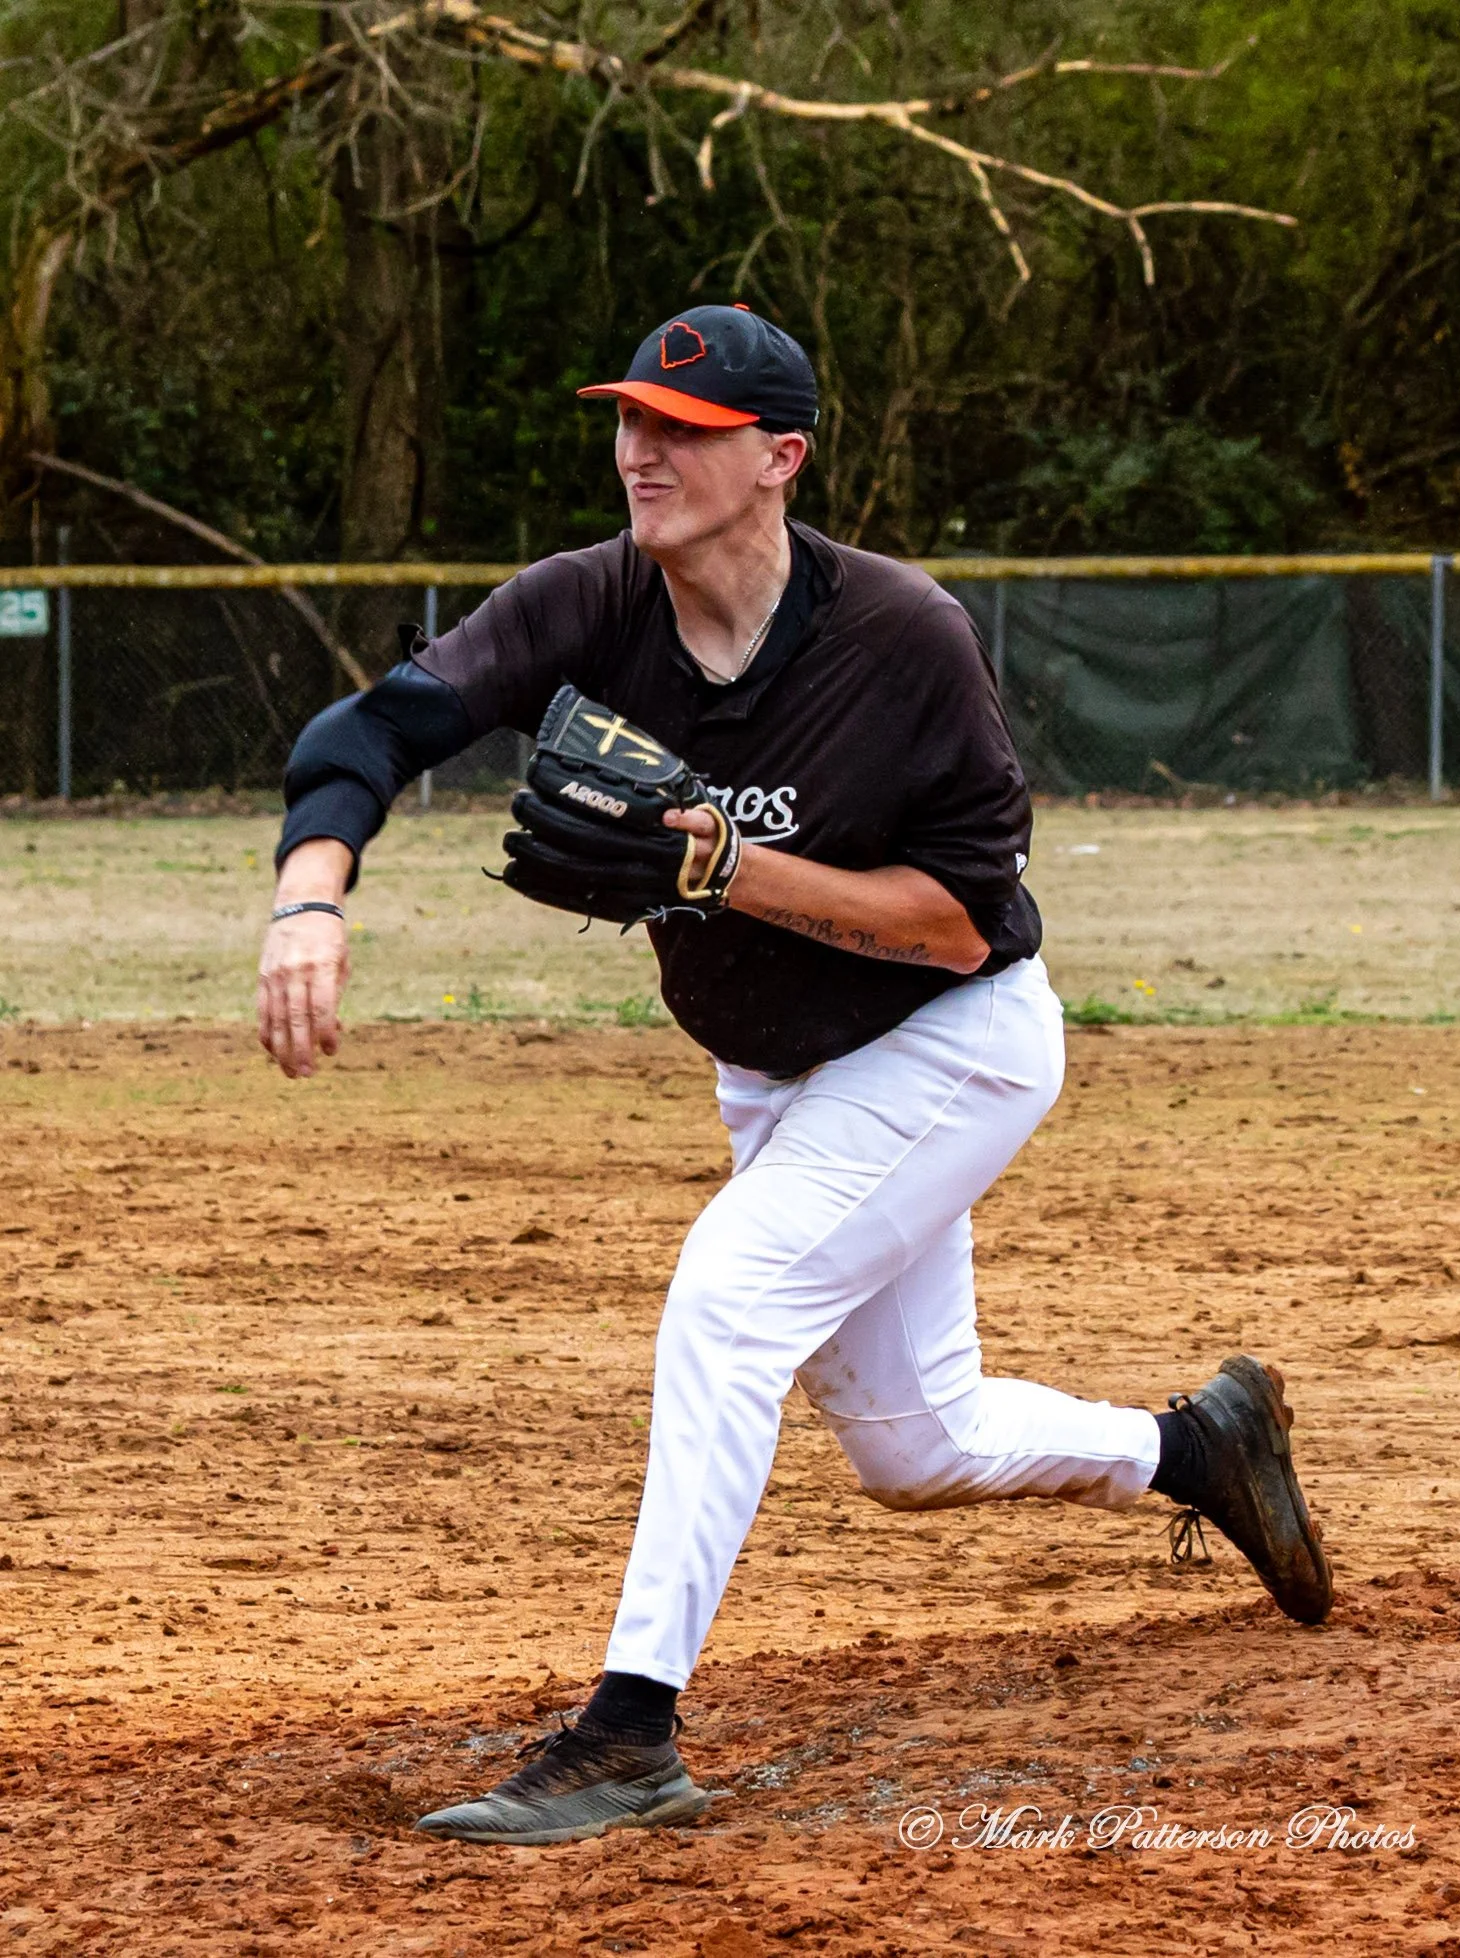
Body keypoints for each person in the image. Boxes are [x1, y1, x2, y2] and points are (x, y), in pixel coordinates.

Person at [257, 303, 1333, 1849]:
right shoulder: (590, 604)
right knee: (914, 1443)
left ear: (779, 457)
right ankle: (1197, 1445)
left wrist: (718, 863)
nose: (640, 452)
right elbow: (371, 729)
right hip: (779, 1073)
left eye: (680, 431)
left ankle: (630, 1730)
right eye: (629, 421)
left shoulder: (902, 635)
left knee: (727, 1297)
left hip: (949, 1044)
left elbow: (964, 925)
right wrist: (312, 894)